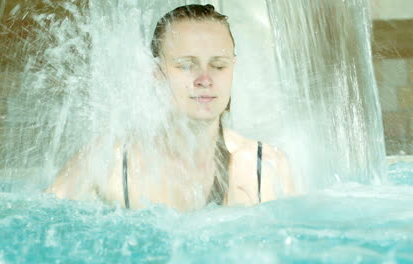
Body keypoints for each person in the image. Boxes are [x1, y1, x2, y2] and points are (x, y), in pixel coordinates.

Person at [47, 4, 294, 211]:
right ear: (157, 74)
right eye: (187, 65)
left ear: (233, 68)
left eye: (218, 66)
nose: (205, 79)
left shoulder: (266, 167)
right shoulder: (108, 164)